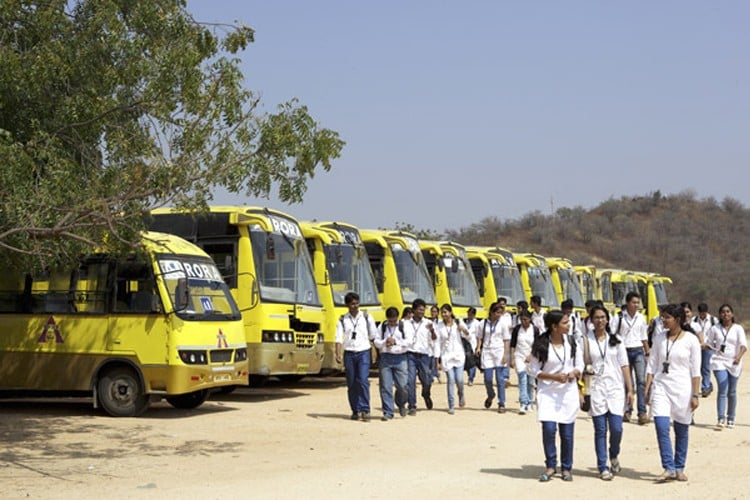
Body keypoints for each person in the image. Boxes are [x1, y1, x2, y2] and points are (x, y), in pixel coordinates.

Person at [644, 303, 701, 482]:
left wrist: (695, 395)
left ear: (677, 320)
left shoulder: (691, 340)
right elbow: (652, 365)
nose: (663, 321)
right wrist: (647, 389)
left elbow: (696, 370)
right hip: (661, 387)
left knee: (681, 430)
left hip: (683, 389)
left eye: (667, 317)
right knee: (661, 426)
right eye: (663, 317)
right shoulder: (660, 338)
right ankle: (668, 466)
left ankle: (679, 467)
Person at [529, 310, 583, 482]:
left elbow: (580, 364)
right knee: (549, 429)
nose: (568, 325)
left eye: (568, 322)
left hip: (567, 392)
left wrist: (574, 372)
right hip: (548, 392)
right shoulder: (541, 344)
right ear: (554, 326)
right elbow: (533, 370)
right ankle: (551, 465)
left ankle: (566, 468)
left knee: (567, 433)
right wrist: (552, 377)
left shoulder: (572, 342)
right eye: (565, 323)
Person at [584, 305, 633, 481]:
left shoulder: (616, 339)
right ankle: (602, 466)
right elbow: (581, 365)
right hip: (596, 387)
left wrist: (630, 389)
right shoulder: (585, 340)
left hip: (615, 388)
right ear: (591, 320)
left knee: (616, 428)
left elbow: (624, 365)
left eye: (603, 317)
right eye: (596, 317)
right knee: (600, 429)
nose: (600, 321)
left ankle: (613, 454)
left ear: (607, 319)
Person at [335, 292, 378, 422]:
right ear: (347, 305)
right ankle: (355, 409)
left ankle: (365, 409)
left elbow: (373, 335)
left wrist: (376, 352)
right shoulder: (343, 320)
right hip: (349, 352)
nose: (355, 306)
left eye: (357, 303)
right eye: (352, 304)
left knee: (363, 380)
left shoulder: (366, 317)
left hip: (363, 351)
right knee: (352, 382)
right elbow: (338, 338)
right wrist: (338, 353)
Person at [610, 292, 650, 425]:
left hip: (638, 350)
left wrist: (647, 352)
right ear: (627, 303)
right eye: (634, 302)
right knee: (628, 382)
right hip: (624, 350)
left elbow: (644, 336)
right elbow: (613, 334)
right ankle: (627, 409)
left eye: (638, 303)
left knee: (641, 381)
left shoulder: (641, 318)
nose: (636, 305)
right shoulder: (619, 317)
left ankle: (642, 412)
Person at [706, 303, 748, 429]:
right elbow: (709, 343)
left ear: (732, 314)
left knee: (732, 391)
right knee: (723, 387)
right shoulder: (715, 329)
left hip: (734, 362)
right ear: (719, 314)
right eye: (723, 312)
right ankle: (720, 418)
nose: (726, 314)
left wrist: (738, 357)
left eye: (728, 311)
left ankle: (731, 417)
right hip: (719, 361)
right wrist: (706, 346)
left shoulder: (738, 328)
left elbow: (743, 345)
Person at [373, 306, 411, 421]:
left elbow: (409, 341)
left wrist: (396, 342)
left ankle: (401, 403)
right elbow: (376, 341)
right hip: (386, 358)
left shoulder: (404, 326)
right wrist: (385, 342)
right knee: (385, 386)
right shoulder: (382, 326)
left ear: (398, 318)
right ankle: (388, 411)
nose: (392, 323)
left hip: (401, 358)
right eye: (390, 321)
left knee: (403, 385)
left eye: (394, 321)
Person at [432, 304, 469, 414]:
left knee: (460, 380)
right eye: (442, 312)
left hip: (458, 355)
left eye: (446, 312)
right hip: (446, 356)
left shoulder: (458, 322)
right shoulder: (439, 326)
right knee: (451, 380)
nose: (444, 314)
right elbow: (437, 343)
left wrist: (464, 331)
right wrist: (437, 360)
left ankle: (461, 394)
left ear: (450, 312)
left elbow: (469, 336)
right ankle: (451, 405)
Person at [477, 302, 511, 413]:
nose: (498, 315)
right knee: (487, 378)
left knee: (500, 379)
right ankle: (491, 394)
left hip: (499, 351)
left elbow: (506, 339)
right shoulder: (483, 323)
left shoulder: (503, 323)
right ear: (491, 312)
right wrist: (478, 347)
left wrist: (506, 354)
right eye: (497, 312)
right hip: (487, 351)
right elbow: (480, 337)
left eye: (501, 313)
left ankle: (501, 403)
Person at [404, 298, 435, 415]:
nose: (422, 312)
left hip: (424, 355)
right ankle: (412, 405)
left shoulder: (428, 323)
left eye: (423, 310)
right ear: (414, 310)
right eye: (420, 310)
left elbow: (434, 339)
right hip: (410, 354)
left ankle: (426, 394)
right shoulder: (406, 323)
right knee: (410, 380)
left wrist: (432, 331)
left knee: (427, 379)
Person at [510, 310, 538, 414]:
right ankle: (523, 403)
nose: (523, 321)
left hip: (531, 357)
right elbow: (513, 344)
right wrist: (512, 358)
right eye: (521, 319)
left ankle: (530, 402)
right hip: (519, 356)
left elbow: (537, 345)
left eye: (525, 319)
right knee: (522, 379)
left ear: (530, 319)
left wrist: (531, 355)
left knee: (530, 382)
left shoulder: (535, 330)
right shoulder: (517, 329)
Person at [694, 303, 717, 397]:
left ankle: (705, 388)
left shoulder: (713, 320)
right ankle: (709, 384)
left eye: (704, 313)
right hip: (697, 347)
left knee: (706, 367)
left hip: (708, 347)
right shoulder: (694, 320)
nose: (702, 315)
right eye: (700, 313)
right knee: (699, 367)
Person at [464, 307, 481, 385]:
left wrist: (478, 347)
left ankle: (471, 378)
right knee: (468, 362)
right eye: (468, 314)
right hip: (465, 345)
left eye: (471, 314)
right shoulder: (465, 322)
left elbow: (478, 336)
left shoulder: (477, 323)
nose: (469, 316)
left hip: (473, 344)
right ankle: (469, 375)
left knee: (472, 362)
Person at [429, 304, 442, 383]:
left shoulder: (440, 322)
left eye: (435, 312)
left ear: (437, 313)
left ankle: (435, 374)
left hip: (437, 343)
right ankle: (434, 375)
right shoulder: (427, 321)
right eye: (432, 311)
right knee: (430, 362)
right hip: (429, 344)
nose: (433, 313)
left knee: (435, 360)